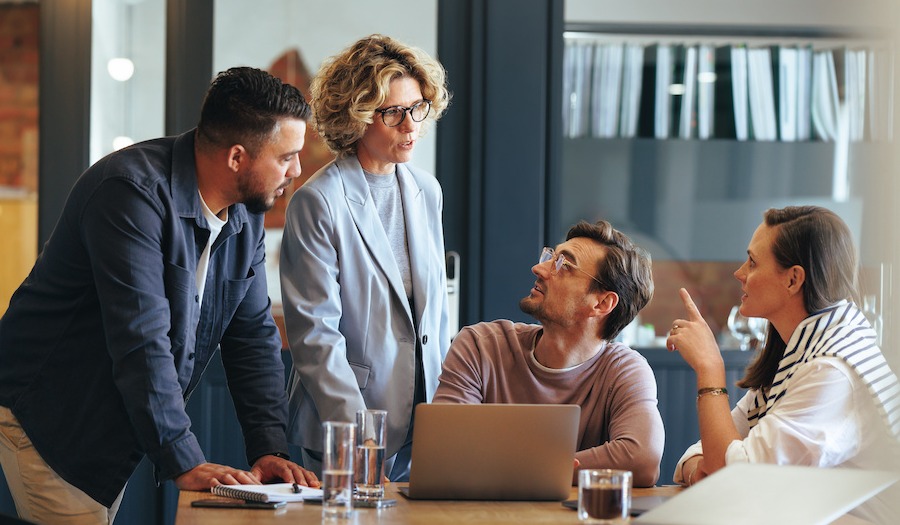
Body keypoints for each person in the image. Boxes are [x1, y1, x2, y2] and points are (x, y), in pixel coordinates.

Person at [0, 66, 319, 524]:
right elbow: (141, 340)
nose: (298, 170)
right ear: (236, 158)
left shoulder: (243, 216)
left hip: (111, 412)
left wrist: (268, 447)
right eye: (287, 156)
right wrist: (183, 458)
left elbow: (252, 336)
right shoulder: (130, 194)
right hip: (51, 410)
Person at [280, 34, 452, 481]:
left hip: (426, 423)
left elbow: (435, 314)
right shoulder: (318, 201)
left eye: (417, 108)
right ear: (355, 117)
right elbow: (316, 337)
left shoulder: (426, 190)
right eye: (392, 112)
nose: (410, 124)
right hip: (349, 425)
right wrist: (360, 436)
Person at [667, 205, 900, 524]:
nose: (739, 273)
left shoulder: (832, 371)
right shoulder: (801, 351)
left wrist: (710, 369)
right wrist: (705, 468)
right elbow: (708, 454)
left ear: (793, 279)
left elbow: (735, 480)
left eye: (752, 262)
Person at [433, 220, 665, 487]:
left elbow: (642, 459)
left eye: (564, 265)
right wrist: (553, 468)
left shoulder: (624, 370)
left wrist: (517, 469)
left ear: (602, 303)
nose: (539, 268)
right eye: (549, 257)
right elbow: (446, 452)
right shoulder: (480, 346)